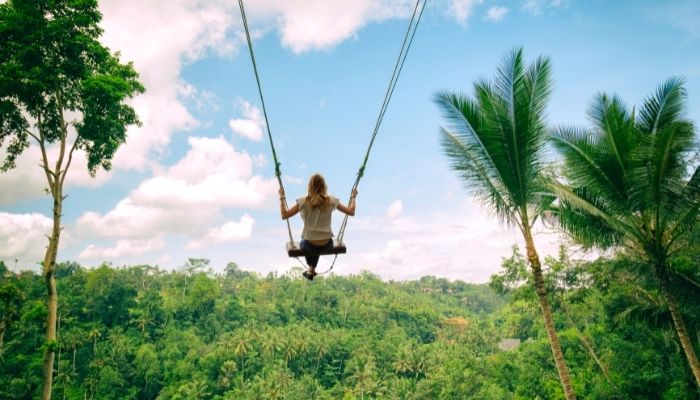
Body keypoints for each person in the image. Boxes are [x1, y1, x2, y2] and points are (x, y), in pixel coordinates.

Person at [279, 174, 357, 280]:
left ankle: (311, 270)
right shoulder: (331, 201)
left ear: (309, 186)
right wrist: (353, 197)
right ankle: (311, 270)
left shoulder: (303, 202)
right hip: (327, 244)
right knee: (317, 243)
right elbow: (351, 211)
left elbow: (284, 215)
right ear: (324, 186)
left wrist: (282, 198)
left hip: (308, 244)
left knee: (310, 242)